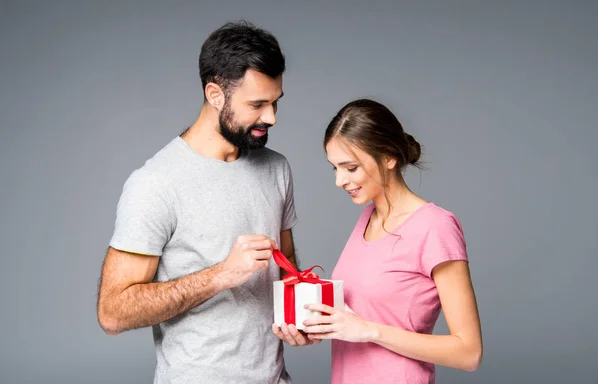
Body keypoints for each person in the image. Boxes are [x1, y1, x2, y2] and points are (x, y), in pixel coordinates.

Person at [96, 21, 314, 384]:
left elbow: (286, 266)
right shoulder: (155, 183)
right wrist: (221, 275)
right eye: (257, 104)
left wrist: (298, 317)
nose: (271, 117)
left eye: (275, 102)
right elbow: (113, 312)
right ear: (215, 94)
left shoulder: (276, 168)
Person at [301, 99, 483, 383]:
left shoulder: (435, 226)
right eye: (334, 168)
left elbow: (468, 353)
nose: (339, 180)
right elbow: (357, 319)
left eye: (350, 168)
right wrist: (316, 328)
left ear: (388, 157)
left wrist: (370, 331)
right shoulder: (368, 216)